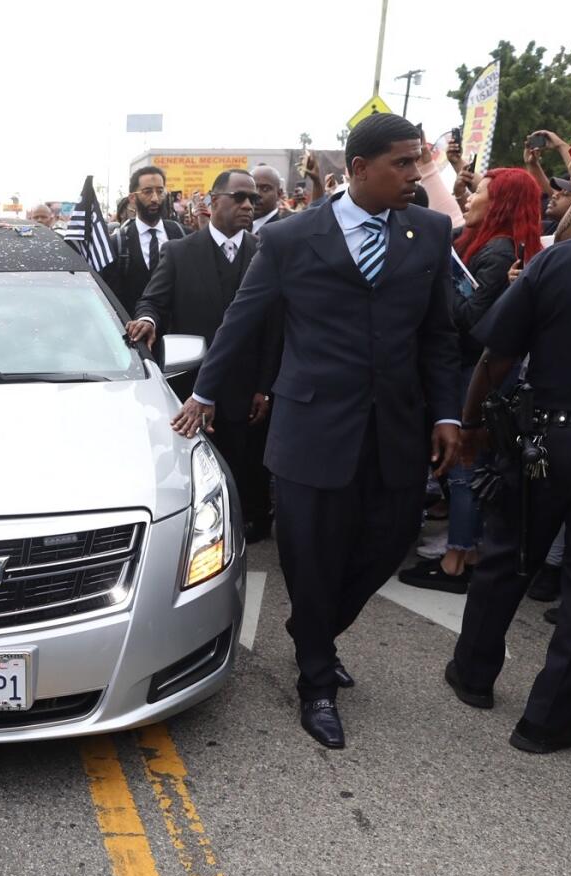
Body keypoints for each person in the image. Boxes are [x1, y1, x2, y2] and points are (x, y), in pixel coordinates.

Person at [171, 112, 462, 749]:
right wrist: (204, 394)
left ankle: (313, 631)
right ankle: (316, 684)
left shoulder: (430, 232)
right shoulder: (292, 238)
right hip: (311, 429)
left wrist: (447, 413)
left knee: (389, 543)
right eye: (404, 163)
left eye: (418, 161)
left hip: (397, 429)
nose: (417, 175)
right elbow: (242, 322)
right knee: (310, 555)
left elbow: (439, 336)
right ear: (359, 170)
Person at [445, 129, 571, 754]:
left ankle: (473, 676)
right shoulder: (561, 256)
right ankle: (548, 720)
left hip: (543, 442)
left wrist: (470, 426)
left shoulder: (561, 259)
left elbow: (497, 357)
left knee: (504, 559)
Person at [398, 167, 544, 594]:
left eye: (479, 192)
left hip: (474, 372)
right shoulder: (486, 245)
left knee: (465, 462)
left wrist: (443, 286)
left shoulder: (498, 253)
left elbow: (470, 321)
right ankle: (467, 548)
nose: (468, 199)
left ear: (500, 204)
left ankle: (456, 559)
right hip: (468, 368)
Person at [127, 169, 280, 543]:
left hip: (248, 386)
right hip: (194, 384)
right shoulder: (180, 252)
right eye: (239, 197)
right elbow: (153, 300)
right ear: (214, 202)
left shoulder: (265, 251)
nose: (248, 205)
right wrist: (147, 318)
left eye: (253, 200)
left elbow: (276, 325)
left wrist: (265, 385)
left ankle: (251, 521)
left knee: (249, 463)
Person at [101, 166, 187, 316]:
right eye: (147, 192)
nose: (155, 199)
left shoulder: (182, 235)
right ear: (133, 198)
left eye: (160, 191)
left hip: (178, 333)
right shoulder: (118, 244)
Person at [250, 165, 292, 235]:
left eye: (265, 189)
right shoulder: (237, 227)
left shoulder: (284, 232)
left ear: (279, 194)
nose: (256, 194)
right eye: (253, 188)